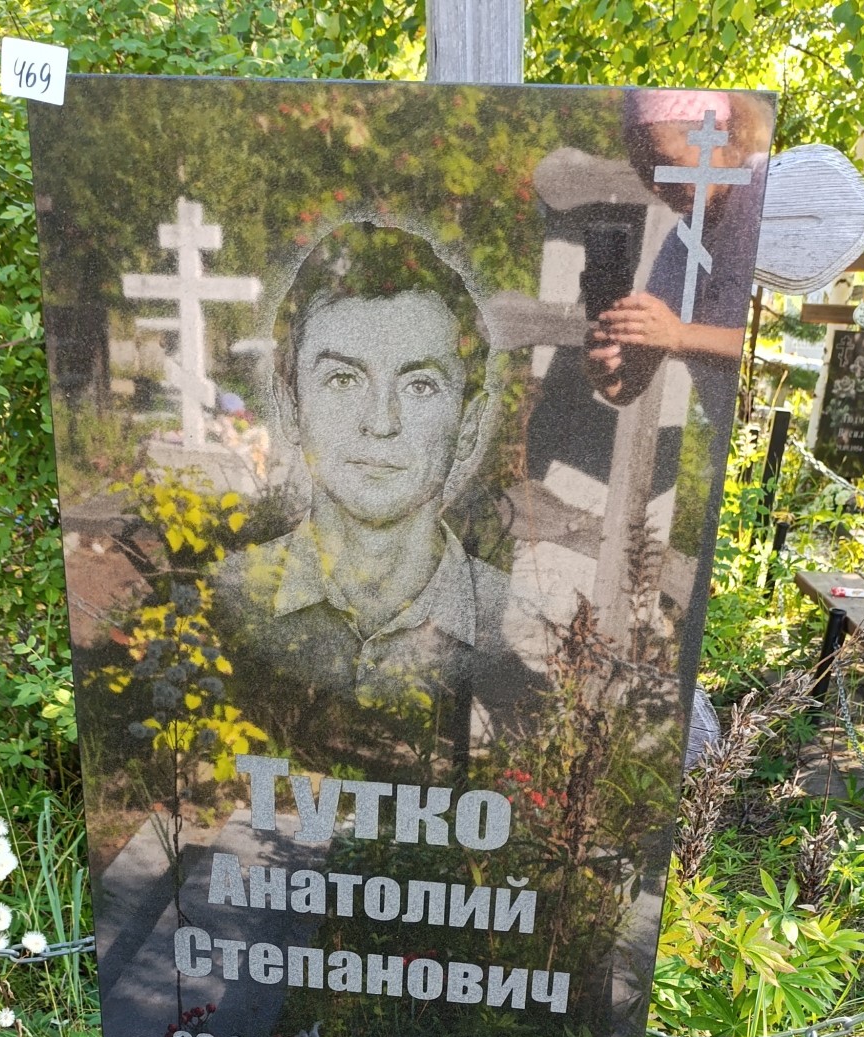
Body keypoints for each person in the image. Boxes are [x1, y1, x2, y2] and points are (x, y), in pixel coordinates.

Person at [214, 222, 537, 728]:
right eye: (343, 379)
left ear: (469, 425)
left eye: (420, 385)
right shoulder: (228, 597)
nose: (381, 422)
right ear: (291, 406)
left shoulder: (518, 624)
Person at [582, 89, 769, 425]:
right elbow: (629, 386)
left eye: (664, 162)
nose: (656, 185)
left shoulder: (767, 189)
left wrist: (680, 335)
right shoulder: (679, 247)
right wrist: (608, 373)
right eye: (643, 170)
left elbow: (776, 344)